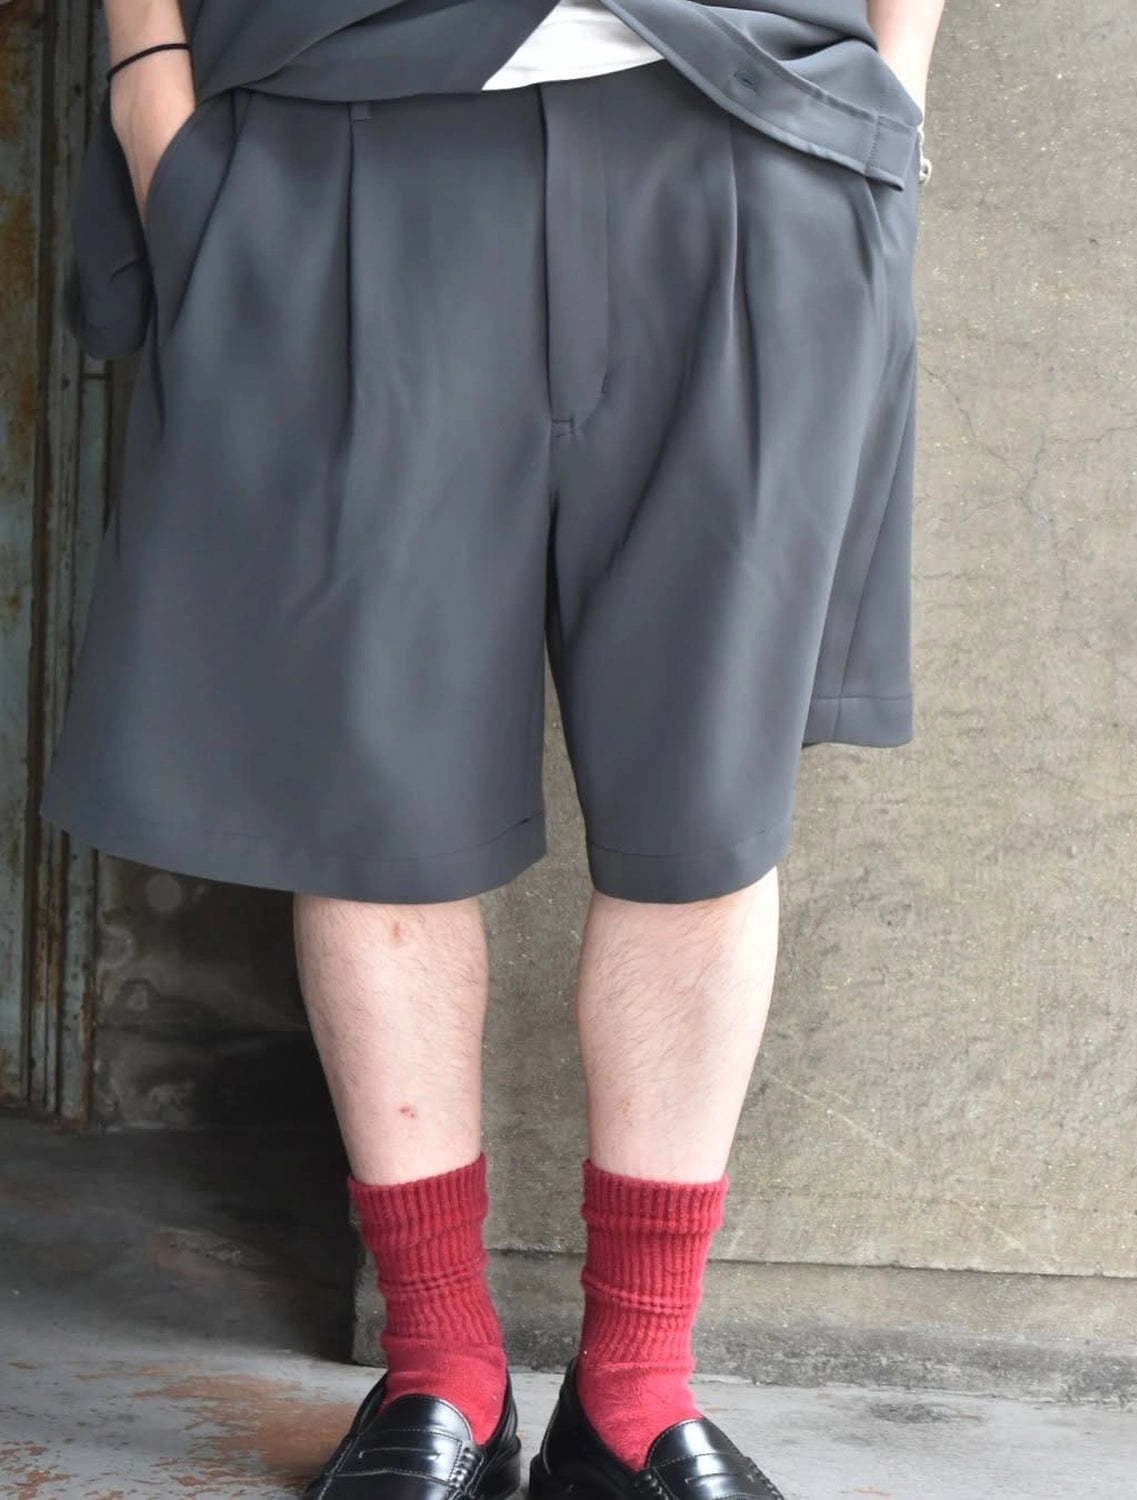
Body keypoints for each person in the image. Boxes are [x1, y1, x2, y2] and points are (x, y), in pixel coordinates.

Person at [40, 1, 946, 1496]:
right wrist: (151, 90)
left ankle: (636, 1397)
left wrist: (891, 106)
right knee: (372, 806)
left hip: (746, 116)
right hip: (345, 116)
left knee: (708, 814)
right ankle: (439, 1368)